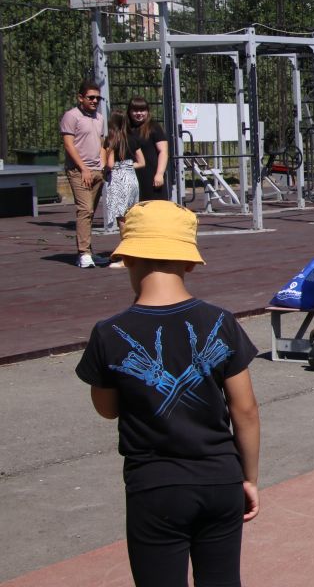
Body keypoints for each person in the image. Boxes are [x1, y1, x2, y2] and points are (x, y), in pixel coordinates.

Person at [75, 201, 261, 587]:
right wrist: (248, 478)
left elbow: (106, 409)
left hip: (155, 487)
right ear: (190, 262)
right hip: (220, 479)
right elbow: (245, 410)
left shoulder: (109, 333)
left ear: (127, 259)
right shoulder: (220, 321)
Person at [62, 79, 108, 268]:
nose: (95, 101)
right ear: (80, 98)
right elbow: (68, 144)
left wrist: (103, 165)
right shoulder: (71, 116)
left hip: (97, 170)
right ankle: (83, 253)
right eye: (91, 97)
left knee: (90, 212)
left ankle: (88, 250)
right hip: (79, 170)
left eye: (98, 98)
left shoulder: (99, 118)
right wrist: (84, 169)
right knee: (85, 210)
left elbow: (103, 143)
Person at [103, 109, 146, 265]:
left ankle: (127, 257)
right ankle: (132, 251)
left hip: (119, 179)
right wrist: (128, 165)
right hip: (132, 178)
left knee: (121, 218)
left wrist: (106, 168)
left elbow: (109, 164)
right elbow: (142, 162)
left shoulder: (112, 140)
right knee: (130, 215)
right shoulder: (132, 138)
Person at [128, 96, 170, 202]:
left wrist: (159, 174)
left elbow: (163, 151)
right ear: (130, 111)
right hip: (132, 176)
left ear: (147, 111)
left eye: (142, 110)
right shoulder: (126, 128)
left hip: (151, 177)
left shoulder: (154, 127)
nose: (139, 113)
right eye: (135, 110)